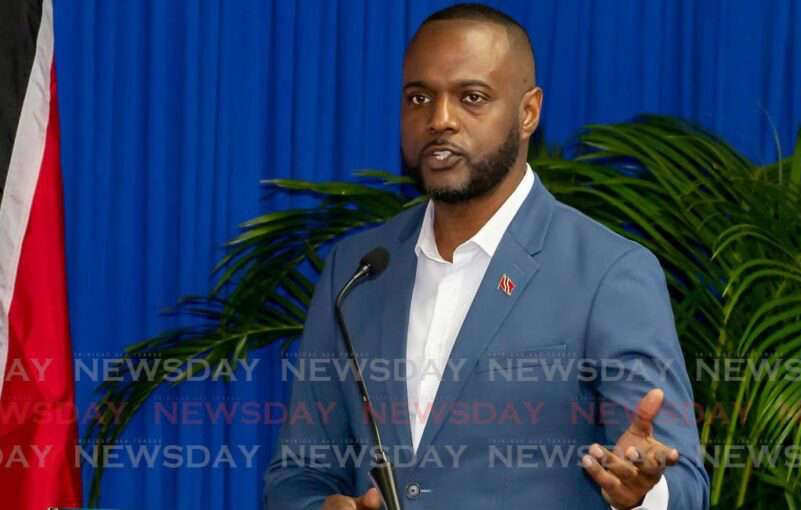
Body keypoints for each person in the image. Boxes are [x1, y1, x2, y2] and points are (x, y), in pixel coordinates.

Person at [264, 4, 709, 509]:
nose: (440, 120)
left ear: (528, 113)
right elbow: (298, 472)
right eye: (419, 98)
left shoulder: (608, 273)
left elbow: (684, 485)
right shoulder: (357, 271)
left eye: (471, 97)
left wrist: (642, 492)